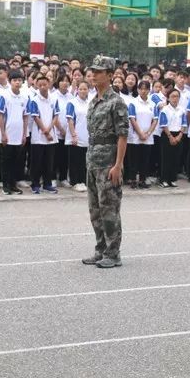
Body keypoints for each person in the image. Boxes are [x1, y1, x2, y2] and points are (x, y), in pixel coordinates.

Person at [81, 56, 129, 269]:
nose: (94, 74)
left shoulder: (116, 101)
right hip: (93, 162)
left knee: (109, 210)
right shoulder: (93, 101)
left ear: (110, 75)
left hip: (109, 163)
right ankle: (100, 249)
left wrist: (118, 165)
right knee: (95, 210)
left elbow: (122, 135)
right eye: (93, 71)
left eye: (99, 71)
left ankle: (113, 253)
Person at [0, 69, 29, 195]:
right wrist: (3, 133)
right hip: (7, 134)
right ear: (10, 82)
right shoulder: (4, 96)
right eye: (15, 80)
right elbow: (0, 115)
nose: (17, 82)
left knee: (16, 162)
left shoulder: (24, 97)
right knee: (6, 161)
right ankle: (5, 185)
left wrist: (24, 134)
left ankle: (13, 185)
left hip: (18, 134)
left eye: (19, 80)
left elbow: (25, 117)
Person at [27, 74, 59, 194]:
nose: (42, 87)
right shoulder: (34, 100)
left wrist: (49, 129)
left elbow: (56, 115)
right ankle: (35, 184)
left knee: (49, 162)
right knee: (36, 162)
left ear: (49, 84)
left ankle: (47, 184)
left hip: (51, 136)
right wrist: (45, 131)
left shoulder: (54, 99)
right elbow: (35, 117)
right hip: (38, 136)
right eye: (40, 85)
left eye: (44, 84)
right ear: (36, 85)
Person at [126, 81, 157, 189]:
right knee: (134, 159)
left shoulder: (152, 104)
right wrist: (140, 133)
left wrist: (148, 133)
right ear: (138, 90)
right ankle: (133, 179)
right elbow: (132, 119)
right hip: (135, 136)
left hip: (147, 137)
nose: (143, 91)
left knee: (145, 159)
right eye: (141, 89)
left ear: (149, 90)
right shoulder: (133, 103)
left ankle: (143, 179)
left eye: (146, 89)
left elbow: (155, 120)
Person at [66, 80, 93, 192]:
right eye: (80, 89)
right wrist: (73, 135)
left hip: (86, 136)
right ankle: (75, 182)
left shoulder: (90, 103)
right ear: (77, 90)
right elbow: (70, 120)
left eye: (85, 89)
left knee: (84, 161)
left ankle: (82, 181)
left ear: (88, 90)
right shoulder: (72, 103)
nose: (82, 91)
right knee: (75, 160)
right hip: (75, 136)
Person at [158, 88, 187, 187]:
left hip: (178, 134)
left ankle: (172, 179)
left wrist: (179, 136)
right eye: (173, 96)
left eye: (177, 96)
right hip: (167, 135)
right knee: (166, 158)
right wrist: (170, 137)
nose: (175, 98)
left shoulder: (182, 110)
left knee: (176, 158)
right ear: (168, 98)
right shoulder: (165, 110)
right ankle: (164, 179)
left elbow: (184, 123)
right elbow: (163, 124)